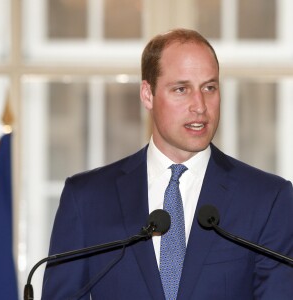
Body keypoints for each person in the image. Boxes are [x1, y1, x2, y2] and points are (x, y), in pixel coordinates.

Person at [42, 28, 293, 299]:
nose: (200, 105)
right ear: (147, 94)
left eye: (209, 87)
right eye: (182, 89)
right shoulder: (87, 198)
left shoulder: (268, 200)